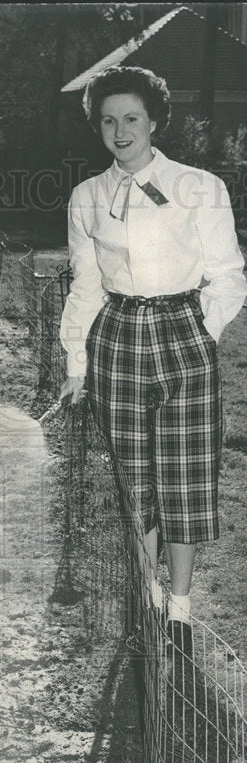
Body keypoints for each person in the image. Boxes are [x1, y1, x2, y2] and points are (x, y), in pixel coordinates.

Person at [59, 66, 247, 657]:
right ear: (98, 127)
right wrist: (75, 363)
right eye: (108, 120)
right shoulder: (87, 196)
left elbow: (229, 274)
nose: (120, 131)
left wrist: (199, 332)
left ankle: (181, 603)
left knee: (187, 474)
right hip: (117, 336)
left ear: (154, 121)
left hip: (182, 330)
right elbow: (85, 283)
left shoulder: (200, 186)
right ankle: (145, 592)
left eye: (131, 118)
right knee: (135, 474)